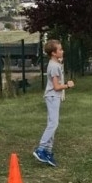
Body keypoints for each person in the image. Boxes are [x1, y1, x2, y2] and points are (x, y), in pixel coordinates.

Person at [33, 39, 74, 167]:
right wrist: (67, 85)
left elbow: (57, 69)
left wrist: (60, 62)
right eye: (60, 49)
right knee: (53, 123)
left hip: (54, 97)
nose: (63, 51)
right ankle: (41, 149)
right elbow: (56, 87)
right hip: (52, 96)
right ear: (53, 53)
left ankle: (48, 152)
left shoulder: (55, 63)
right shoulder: (54, 66)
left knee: (53, 123)